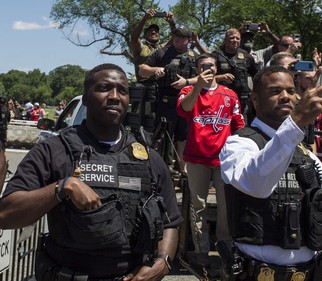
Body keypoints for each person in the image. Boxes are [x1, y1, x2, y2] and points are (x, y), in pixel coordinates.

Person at [0, 63, 183, 281]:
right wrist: (61, 188)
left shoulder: (149, 158)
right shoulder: (54, 150)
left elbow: (170, 222)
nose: (114, 96)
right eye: (104, 88)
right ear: (86, 98)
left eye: (122, 90)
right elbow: (5, 215)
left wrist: (162, 262)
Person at [219, 65, 322, 281]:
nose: (286, 97)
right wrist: (295, 123)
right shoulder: (238, 145)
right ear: (255, 99)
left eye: (291, 91)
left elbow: (318, 223)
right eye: (275, 91)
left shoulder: (308, 155)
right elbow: (256, 184)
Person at [176, 53, 245, 270]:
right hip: (197, 159)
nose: (208, 68)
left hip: (223, 160)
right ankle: (201, 250)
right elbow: (184, 109)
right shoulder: (188, 91)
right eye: (203, 66)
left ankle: (224, 247)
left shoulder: (230, 94)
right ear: (197, 69)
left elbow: (239, 125)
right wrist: (198, 87)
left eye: (212, 65)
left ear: (217, 68)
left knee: (226, 207)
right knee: (199, 206)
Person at [139, 25, 199, 175]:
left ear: (188, 40)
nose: (177, 38)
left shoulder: (194, 56)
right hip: (165, 103)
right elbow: (142, 69)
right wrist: (155, 70)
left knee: (183, 139)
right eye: (175, 35)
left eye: (181, 36)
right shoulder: (162, 53)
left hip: (186, 102)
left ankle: (184, 172)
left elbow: (204, 77)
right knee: (161, 139)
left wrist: (186, 82)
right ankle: (158, 171)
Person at [212, 28, 258, 123]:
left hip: (242, 99)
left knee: (240, 126)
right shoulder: (216, 55)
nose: (235, 40)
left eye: (237, 38)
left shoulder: (246, 56)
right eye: (232, 38)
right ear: (225, 40)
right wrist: (219, 77)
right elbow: (207, 77)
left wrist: (256, 92)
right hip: (221, 98)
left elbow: (256, 75)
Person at [130, 9, 176, 85]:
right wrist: (144, 19)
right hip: (144, 85)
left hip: (163, 85)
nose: (154, 32)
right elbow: (134, 38)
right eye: (150, 31)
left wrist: (172, 23)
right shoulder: (141, 48)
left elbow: (175, 38)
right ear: (145, 35)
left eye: (156, 31)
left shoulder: (163, 48)